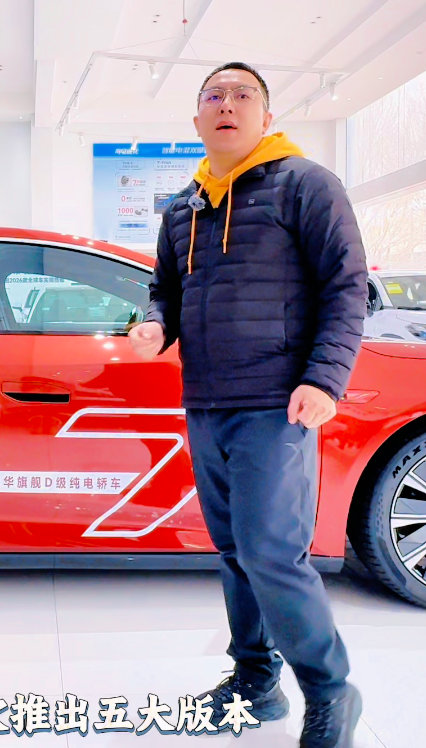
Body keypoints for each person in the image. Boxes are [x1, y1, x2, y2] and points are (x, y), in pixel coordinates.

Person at [129, 61, 366, 748]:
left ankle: (330, 692)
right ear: (197, 119)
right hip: (206, 401)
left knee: (271, 553)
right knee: (235, 551)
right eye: (214, 95)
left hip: (277, 403)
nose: (227, 104)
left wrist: (324, 380)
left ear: (266, 116)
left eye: (242, 95)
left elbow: (347, 286)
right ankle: (256, 681)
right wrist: (156, 325)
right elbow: (165, 290)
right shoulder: (184, 207)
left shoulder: (306, 185)